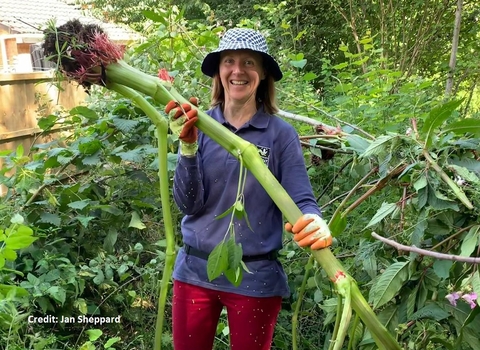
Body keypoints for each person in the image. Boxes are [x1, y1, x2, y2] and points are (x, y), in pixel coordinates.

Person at [165, 28, 333, 350]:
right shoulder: (200, 125)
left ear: (263, 73)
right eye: (229, 61)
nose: (238, 70)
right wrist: (187, 148)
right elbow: (188, 204)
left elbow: (301, 198)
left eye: (249, 63)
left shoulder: (281, 135)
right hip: (194, 272)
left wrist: (314, 221)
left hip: (255, 276)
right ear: (219, 71)